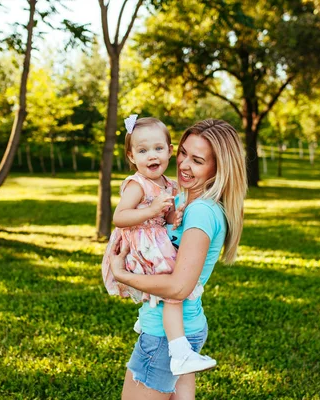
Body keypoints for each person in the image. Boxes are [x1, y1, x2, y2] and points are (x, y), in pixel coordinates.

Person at [108, 119, 247, 399]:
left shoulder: (201, 213)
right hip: (185, 327)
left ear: (217, 167)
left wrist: (122, 275)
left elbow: (179, 288)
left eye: (197, 160)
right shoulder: (187, 203)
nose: (184, 165)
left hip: (163, 336)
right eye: (184, 153)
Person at [101, 115, 216, 378]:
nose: (151, 156)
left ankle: (147, 318)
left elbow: (164, 218)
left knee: (172, 283)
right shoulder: (137, 184)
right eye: (142, 151)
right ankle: (179, 352)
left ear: (169, 150)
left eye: (158, 148)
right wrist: (152, 209)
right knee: (173, 289)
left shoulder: (170, 184)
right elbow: (119, 217)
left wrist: (171, 216)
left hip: (155, 241)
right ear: (131, 156)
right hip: (139, 243)